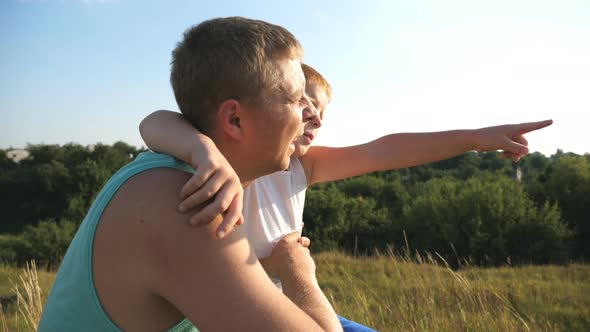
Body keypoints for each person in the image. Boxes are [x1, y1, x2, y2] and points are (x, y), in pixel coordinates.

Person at [140, 63, 553, 331]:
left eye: (321, 111)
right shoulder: (229, 159)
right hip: (243, 314)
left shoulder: (301, 166)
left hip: (292, 305)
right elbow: (155, 121)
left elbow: (383, 151)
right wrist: (204, 151)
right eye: (303, 105)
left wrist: (474, 140)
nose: (316, 119)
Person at [38, 17, 343, 332]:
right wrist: (297, 270)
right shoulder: (193, 203)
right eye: (295, 100)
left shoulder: (174, 167)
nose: (308, 116)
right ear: (235, 119)